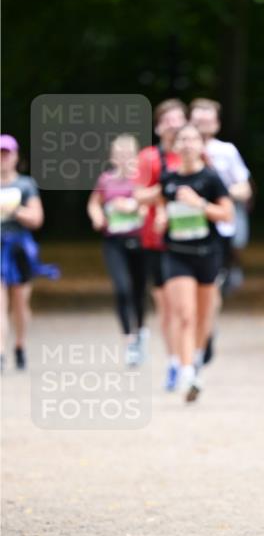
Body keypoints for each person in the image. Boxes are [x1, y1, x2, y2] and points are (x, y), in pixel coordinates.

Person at [157, 123, 234, 402]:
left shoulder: (211, 179)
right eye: (182, 139)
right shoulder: (168, 180)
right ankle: (186, 371)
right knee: (185, 314)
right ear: (175, 146)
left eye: (193, 139)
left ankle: (197, 360)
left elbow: (227, 215)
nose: (188, 144)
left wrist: (198, 203)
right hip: (176, 254)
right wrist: (161, 218)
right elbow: (160, 208)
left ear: (201, 146)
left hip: (207, 254)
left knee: (204, 317)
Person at [135, 99, 187, 389]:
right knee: (167, 308)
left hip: (190, 239)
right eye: (168, 120)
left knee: (186, 308)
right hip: (155, 241)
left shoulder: (193, 153)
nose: (173, 125)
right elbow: (139, 196)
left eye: (178, 119)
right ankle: (174, 362)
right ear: (158, 126)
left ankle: (189, 358)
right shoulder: (149, 157)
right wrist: (167, 191)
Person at [0, 134, 59, 372]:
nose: (3, 158)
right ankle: (1, 353)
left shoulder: (25, 185)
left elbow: (37, 219)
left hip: (19, 248)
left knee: (20, 303)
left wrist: (13, 210)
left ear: (16, 156)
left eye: (6, 153)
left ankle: (20, 345)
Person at [87, 134, 147, 366]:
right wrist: (97, 216)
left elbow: (152, 203)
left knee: (139, 291)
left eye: (127, 154)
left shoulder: (142, 179)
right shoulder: (106, 180)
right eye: (118, 154)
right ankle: (129, 340)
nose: (123, 158)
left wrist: (135, 208)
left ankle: (141, 330)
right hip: (114, 242)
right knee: (122, 289)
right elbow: (94, 202)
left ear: (135, 156)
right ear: (112, 157)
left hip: (140, 240)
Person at [189, 97, 253, 295]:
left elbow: (245, 188)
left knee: (213, 275)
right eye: (198, 122)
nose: (202, 127)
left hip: (220, 220)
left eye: (207, 121)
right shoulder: (179, 149)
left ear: (217, 124)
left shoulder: (226, 151)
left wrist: (221, 194)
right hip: (188, 220)